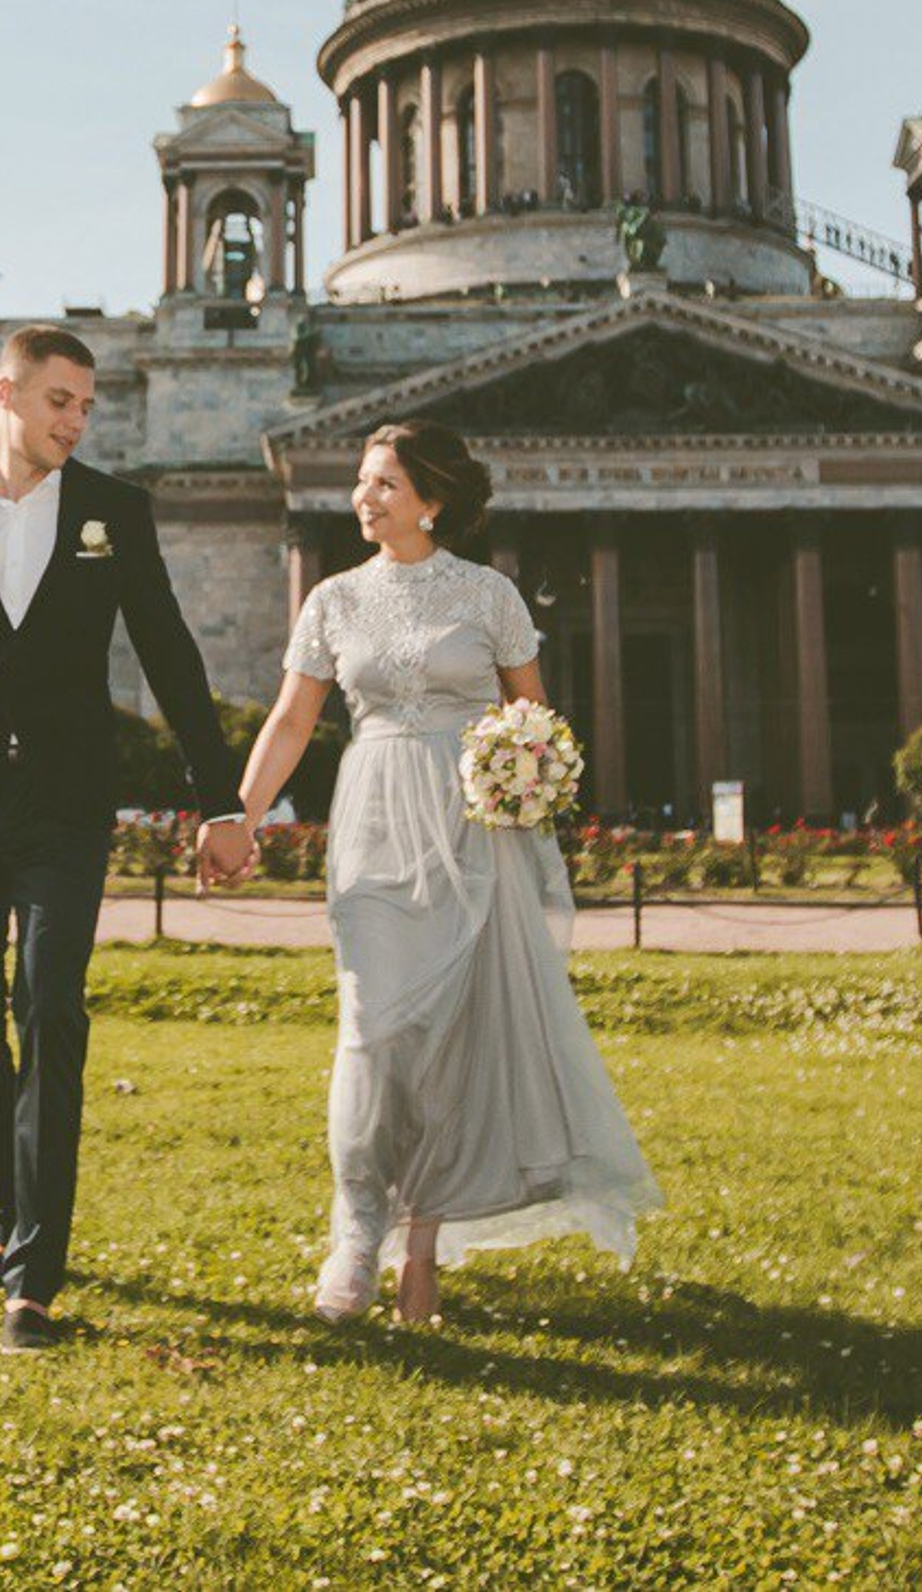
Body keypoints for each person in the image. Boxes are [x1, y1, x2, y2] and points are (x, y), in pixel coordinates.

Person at [0, 324, 255, 1354]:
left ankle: (32, 1279)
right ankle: (5, 1213)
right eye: (60, 401)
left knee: (51, 1007)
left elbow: (169, 652)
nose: (77, 421)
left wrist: (220, 802)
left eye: (87, 406)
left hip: (66, 806)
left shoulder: (115, 511)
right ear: (6, 393)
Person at [235, 420, 659, 1325]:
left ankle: (419, 1246)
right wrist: (242, 814)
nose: (365, 496)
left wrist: (523, 779)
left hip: (471, 832)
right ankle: (356, 1232)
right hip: (375, 820)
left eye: (385, 483)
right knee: (371, 1029)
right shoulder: (333, 601)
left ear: (431, 500)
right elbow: (292, 720)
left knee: (446, 1043)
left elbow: (534, 720)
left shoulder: (489, 595)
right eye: (363, 480)